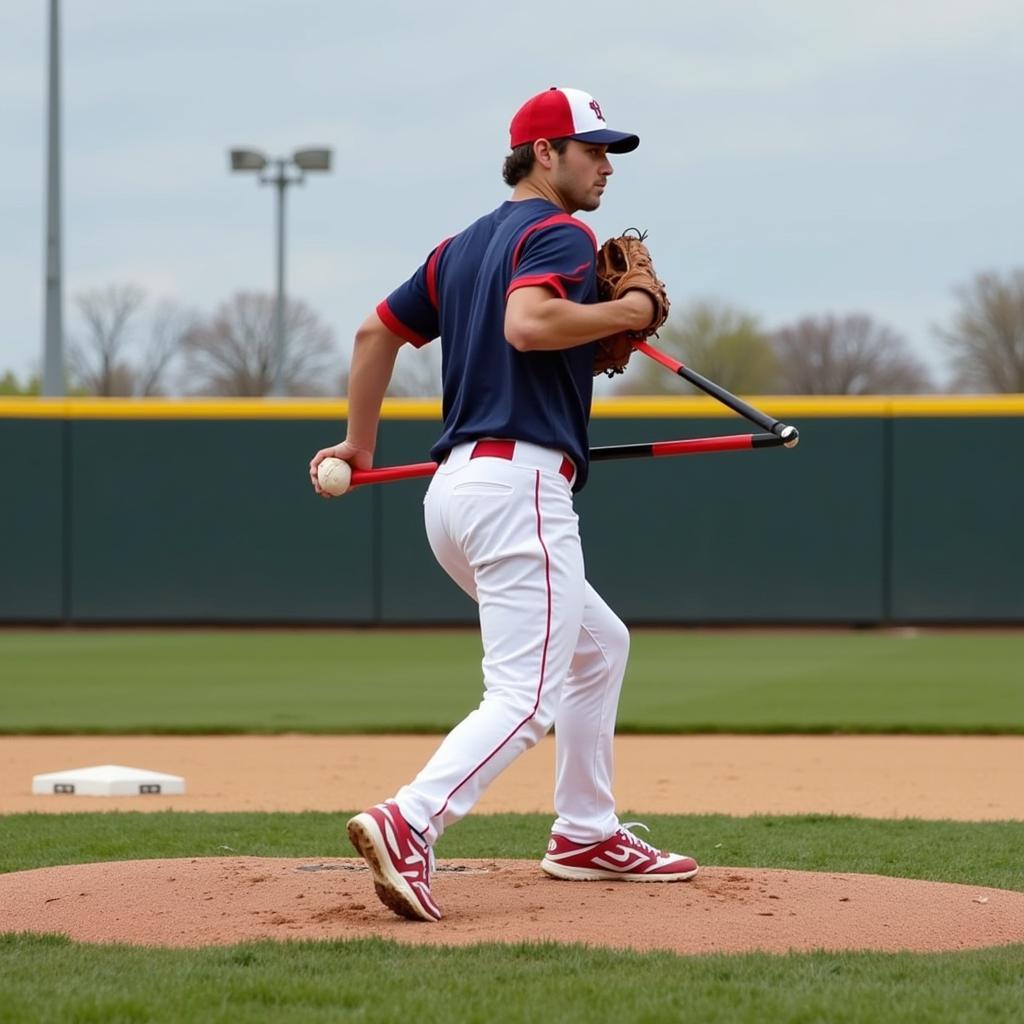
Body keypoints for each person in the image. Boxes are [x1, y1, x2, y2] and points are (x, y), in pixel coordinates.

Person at [309, 86, 698, 923]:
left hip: (454, 494)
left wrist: (359, 443)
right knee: (525, 696)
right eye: (592, 150)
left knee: (599, 647)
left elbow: (376, 333)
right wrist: (623, 311)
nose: (605, 166)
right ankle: (408, 821)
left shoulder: (462, 248)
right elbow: (529, 324)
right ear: (544, 154)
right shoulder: (558, 231)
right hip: (517, 487)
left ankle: (586, 832)